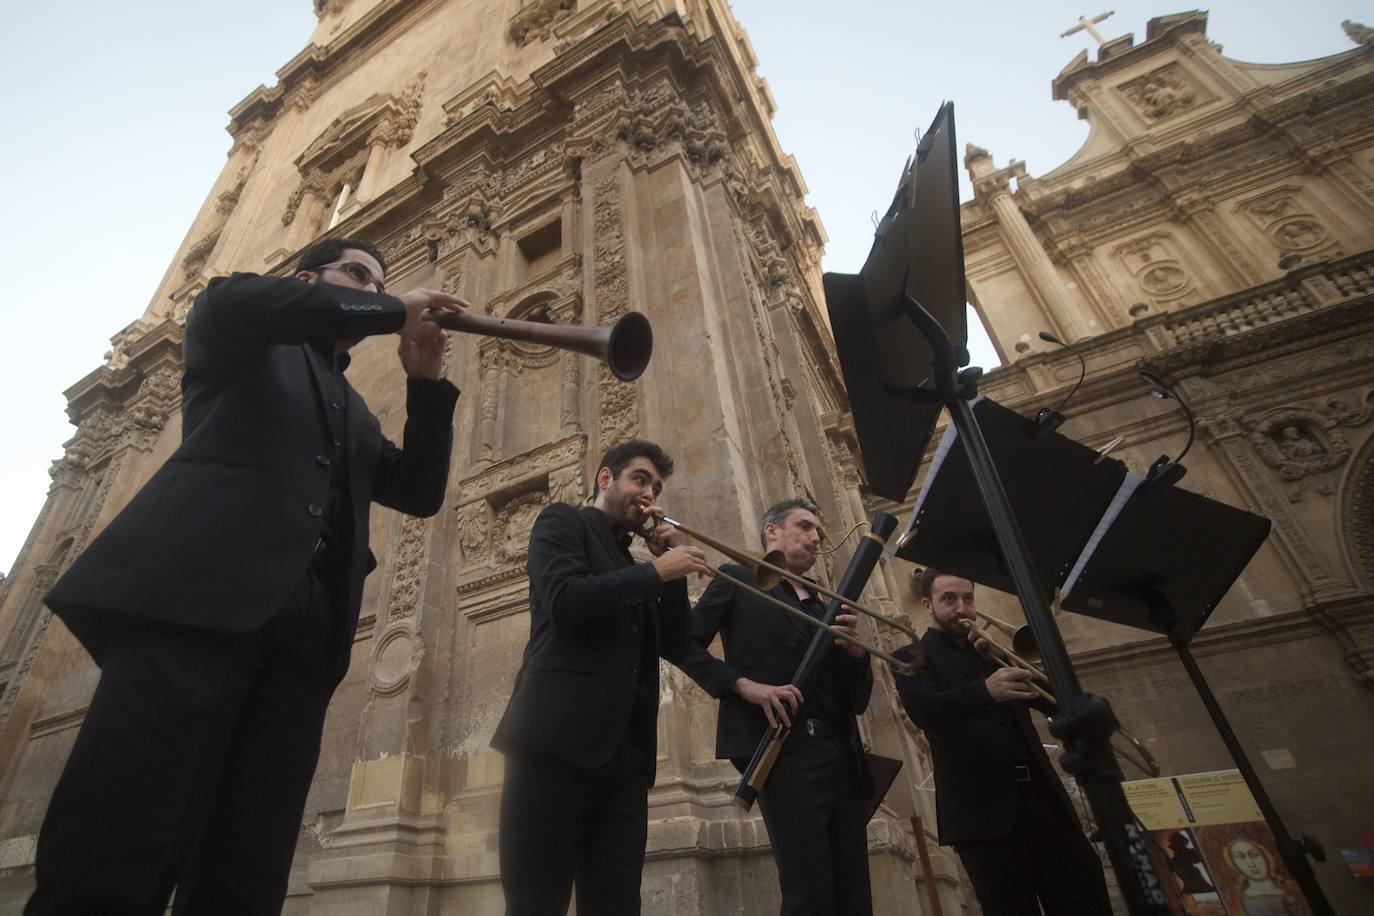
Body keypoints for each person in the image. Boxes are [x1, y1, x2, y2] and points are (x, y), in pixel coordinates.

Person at [31, 237, 468, 915]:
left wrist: (426, 382)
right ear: (306, 279)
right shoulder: (236, 331)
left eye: (380, 281)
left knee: (247, 870)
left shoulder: (357, 411)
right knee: (120, 845)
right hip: (192, 612)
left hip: (301, 653)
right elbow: (236, 297)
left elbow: (418, 490)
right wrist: (388, 307)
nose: (372, 288)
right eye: (356, 275)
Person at [491, 439, 712, 915]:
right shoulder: (561, 521)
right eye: (640, 479)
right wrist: (656, 573)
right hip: (552, 749)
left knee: (617, 906)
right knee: (535, 902)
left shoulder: (636, 565)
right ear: (605, 478)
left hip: (625, 765)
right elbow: (566, 601)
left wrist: (669, 575)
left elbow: (677, 645)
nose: (649, 493)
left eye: (656, 486)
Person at [680, 497, 874, 916]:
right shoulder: (738, 578)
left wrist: (859, 654)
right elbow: (684, 644)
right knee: (810, 891)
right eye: (805, 527)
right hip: (783, 751)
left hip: (840, 755)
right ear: (772, 531)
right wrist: (742, 685)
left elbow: (857, 699)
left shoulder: (826, 607)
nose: (815, 538)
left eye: (818, 531)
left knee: (854, 892)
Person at [892, 569, 1112, 916]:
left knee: (1086, 901)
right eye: (949, 599)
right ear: (927, 605)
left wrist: (1004, 657)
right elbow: (926, 712)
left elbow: (1059, 703)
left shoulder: (991, 655)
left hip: (1044, 802)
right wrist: (985, 690)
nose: (961, 607)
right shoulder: (912, 656)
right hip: (982, 816)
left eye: (968, 598)